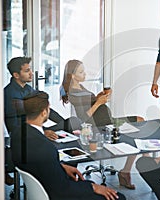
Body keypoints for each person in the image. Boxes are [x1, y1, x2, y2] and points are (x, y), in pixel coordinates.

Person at [11, 90, 126, 200]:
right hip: (58, 195)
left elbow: (38, 165)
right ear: (44, 112)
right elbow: (64, 190)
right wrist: (92, 187)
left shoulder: (17, 134)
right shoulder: (45, 148)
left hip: (45, 187)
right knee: (118, 197)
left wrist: (60, 167)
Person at [60, 59, 144, 189]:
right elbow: (83, 118)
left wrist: (99, 97)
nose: (85, 74)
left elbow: (90, 102)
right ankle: (126, 172)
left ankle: (126, 171)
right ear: (72, 75)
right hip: (100, 124)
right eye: (81, 72)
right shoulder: (73, 92)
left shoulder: (79, 86)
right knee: (135, 130)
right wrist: (99, 102)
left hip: (109, 119)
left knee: (139, 120)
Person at [4, 56, 82, 141]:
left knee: (73, 122)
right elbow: (14, 126)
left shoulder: (28, 89)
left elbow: (45, 108)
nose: (31, 73)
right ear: (16, 75)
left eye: (30, 70)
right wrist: (42, 132)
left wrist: (65, 124)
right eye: (27, 71)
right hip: (25, 135)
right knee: (72, 124)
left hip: (38, 129)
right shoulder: (9, 94)